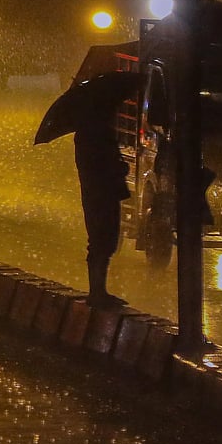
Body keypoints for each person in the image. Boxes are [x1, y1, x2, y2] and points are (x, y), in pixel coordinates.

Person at [74, 110, 131, 309]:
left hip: (96, 194)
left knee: (102, 241)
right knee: (102, 240)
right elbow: (100, 166)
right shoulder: (95, 135)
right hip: (101, 194)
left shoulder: (87, 135)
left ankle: (99, 291)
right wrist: (119, 168)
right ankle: (97, 292)